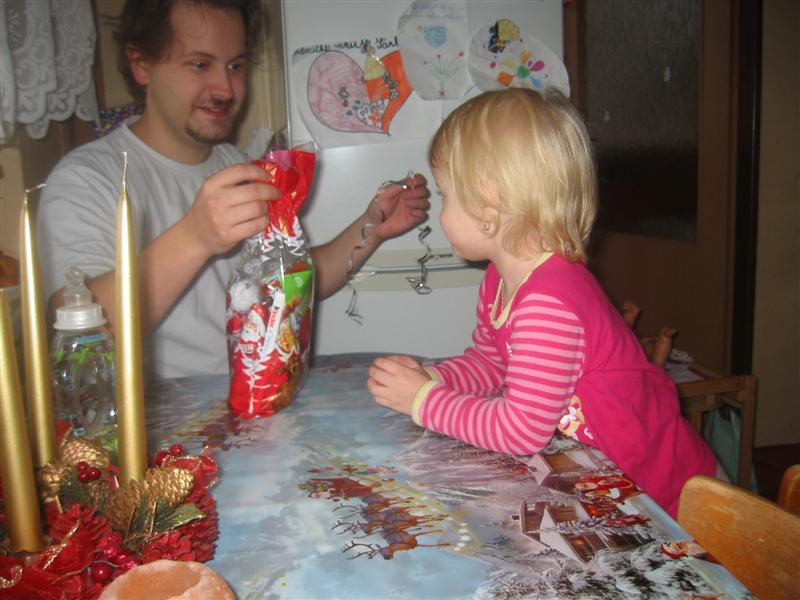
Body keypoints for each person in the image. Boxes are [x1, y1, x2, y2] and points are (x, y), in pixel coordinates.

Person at [366, 87, 717, 518]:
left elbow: (520, 431)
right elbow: (492, 364)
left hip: (666, 492)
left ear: (488, 202)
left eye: (445, 195)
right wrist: (434, 378)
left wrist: (424, 401)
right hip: (602, 476)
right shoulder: (500, 280)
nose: (440, 213)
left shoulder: (548, 303)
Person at [38, 0, 429, 379]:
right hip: (169, 415)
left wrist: (370, 229)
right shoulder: (87, 179)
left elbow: (292, 281)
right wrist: (195, 237)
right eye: (200, 64)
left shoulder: (237, 165)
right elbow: (81, 342)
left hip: (263, 391)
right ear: (142, 65)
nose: (225, 88)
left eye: (235, 66)